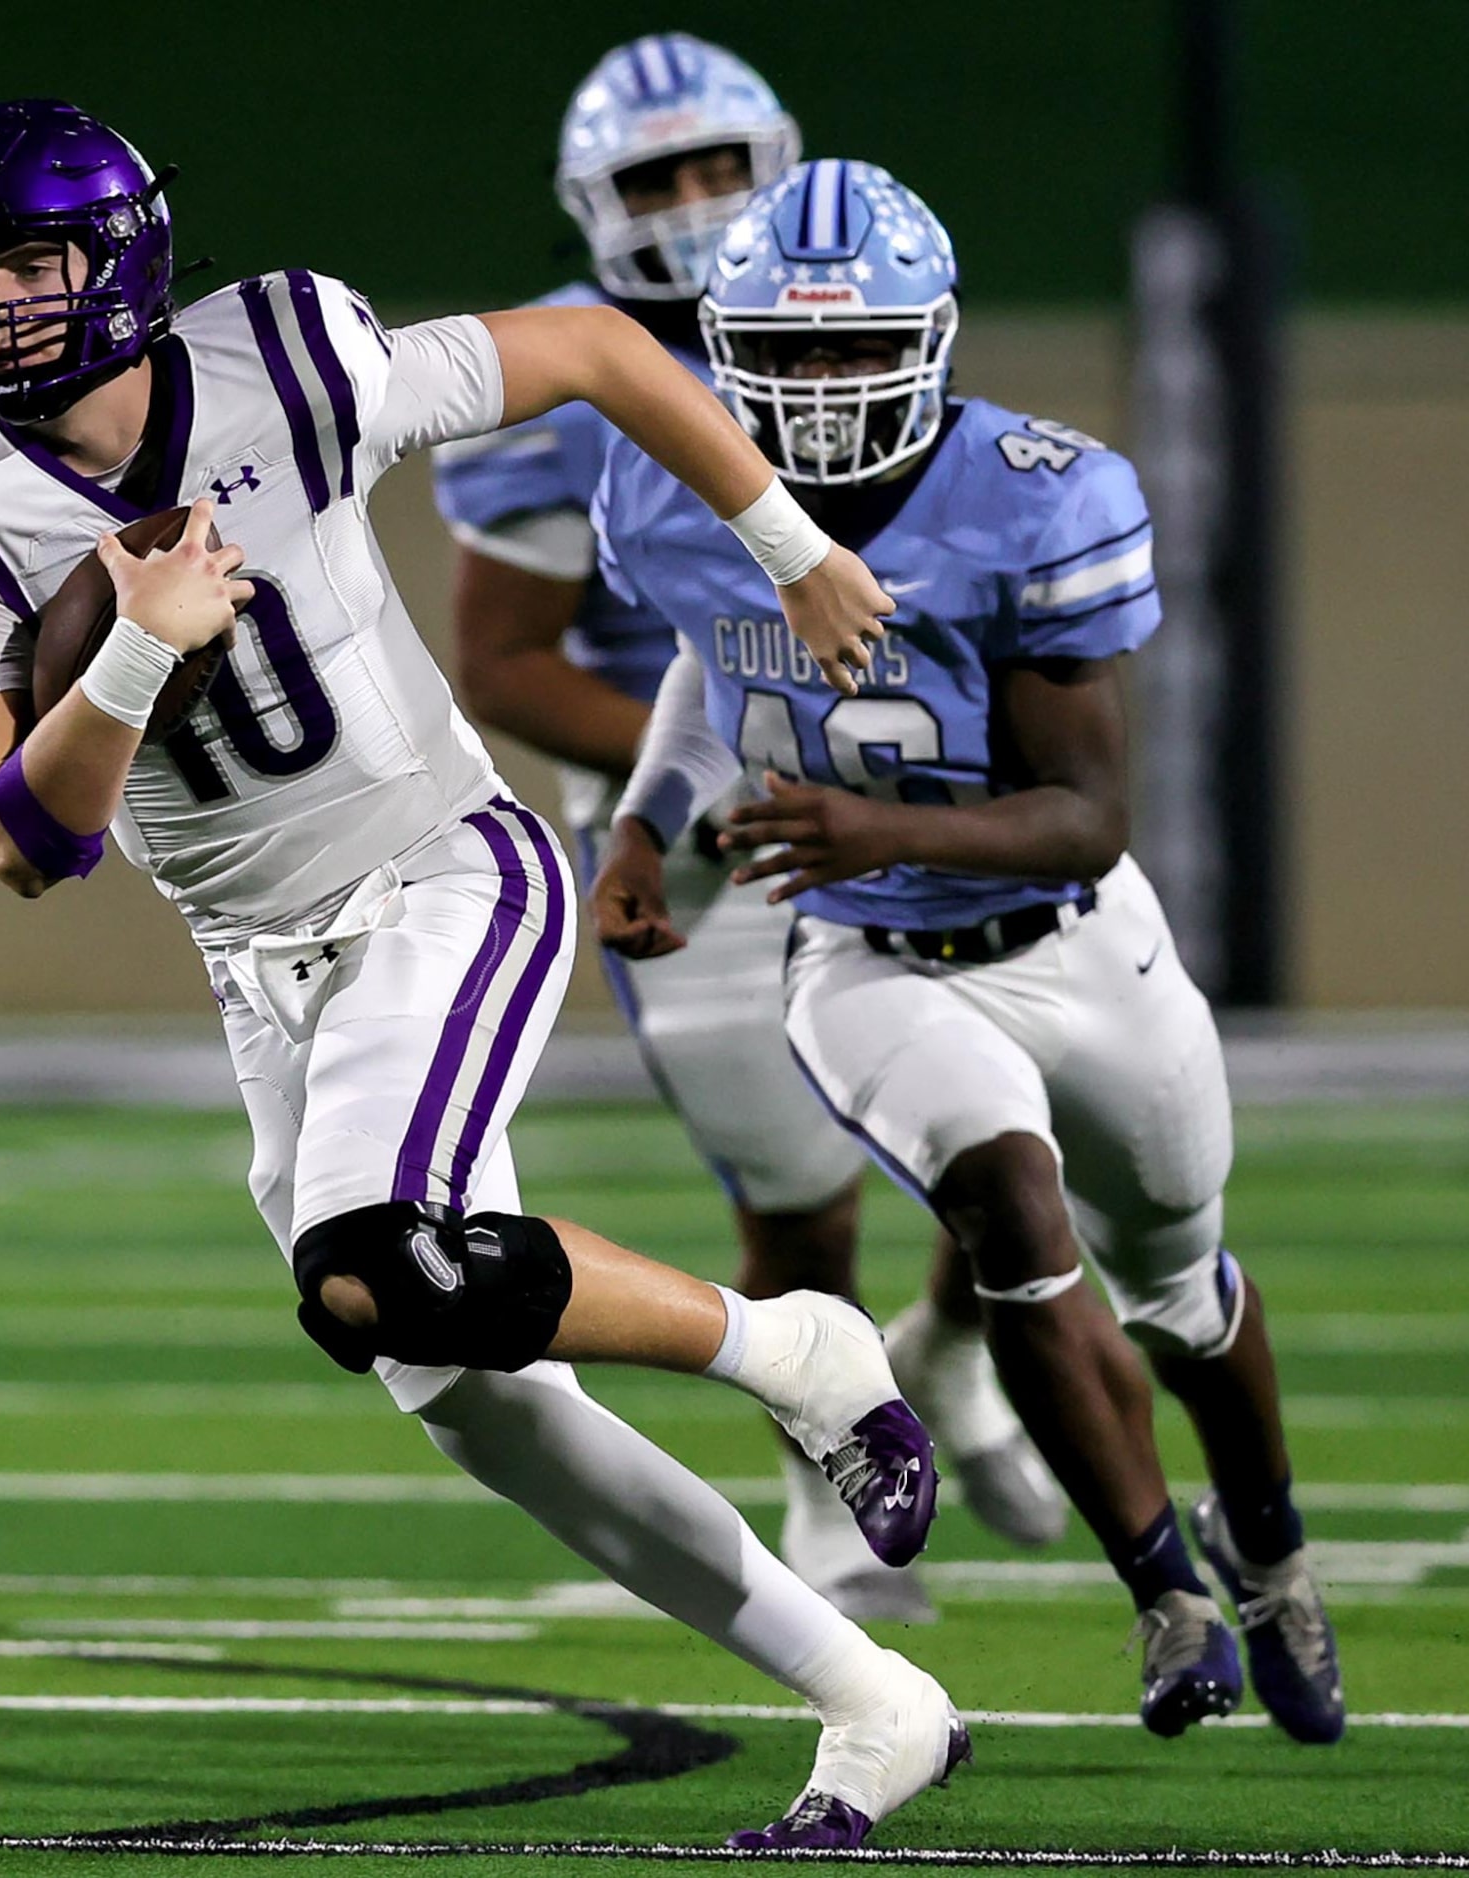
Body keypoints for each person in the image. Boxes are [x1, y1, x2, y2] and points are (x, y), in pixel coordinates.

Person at [0, 98, 967, 1848]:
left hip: (436, 872)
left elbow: (599, 346)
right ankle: (872, 1695)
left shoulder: (290, 359)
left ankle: (793, 1347)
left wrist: (793, 547)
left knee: (374, 1261)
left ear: (123, 258)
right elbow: (23, 844)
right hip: (255, 965)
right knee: (479, 1404)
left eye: (27, 263)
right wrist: (133, 662)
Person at [590, 158, 1344, 1743]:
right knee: (1006, 1200)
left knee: (1181, 1294)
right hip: (862, 955)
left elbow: (1084, 816)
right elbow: (701, 651)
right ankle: (1163, 1589)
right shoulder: (665, 485)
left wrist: (883, 830)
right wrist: (649, 821)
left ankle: (1266, 1548)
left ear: (926, 340)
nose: (811, 384)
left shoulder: (1034, 492)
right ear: (721, 347)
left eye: (848, 344)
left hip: (1069, 939)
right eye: (780, 352)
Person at [431, 34, 1063, 1624]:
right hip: (681, 805)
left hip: (896, 768)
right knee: (791, 1175)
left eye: (725, 166)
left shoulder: (857, 312)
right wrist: (713, 776)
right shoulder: (553, 375)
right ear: (596, 201)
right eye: (662, 179)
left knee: (1014, 1112)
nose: (703, 203)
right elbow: (504, 658)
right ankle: (831, 1474)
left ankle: (945, 1355)